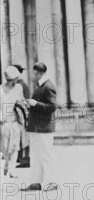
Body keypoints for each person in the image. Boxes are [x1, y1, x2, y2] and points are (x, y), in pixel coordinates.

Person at [22, 62, 58, 191]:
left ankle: (51, 183)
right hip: (37, 127)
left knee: (45, 156)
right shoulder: (41, 86)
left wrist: (35, 103)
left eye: (34, 73)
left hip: (44, 128)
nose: (33, 76)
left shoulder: (48, 86)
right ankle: (36, 182)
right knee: (36, 156)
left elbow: (52, 107)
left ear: (37, 72)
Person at [0, 66, 25, 178]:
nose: (16, 80)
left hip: (15, 121)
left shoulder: (18, 88)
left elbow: (21, 101)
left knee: (15, 147)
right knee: (5, 147)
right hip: (4, 122)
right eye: (15, 78)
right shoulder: (0, 89)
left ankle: (12, 170)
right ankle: (6, 163)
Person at [13, 64, 30, 168]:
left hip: (23, 113)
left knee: (24, 137)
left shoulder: (19, 85)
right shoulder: (21, 84)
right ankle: (21, 157)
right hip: (21, 112)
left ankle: (25, 159)